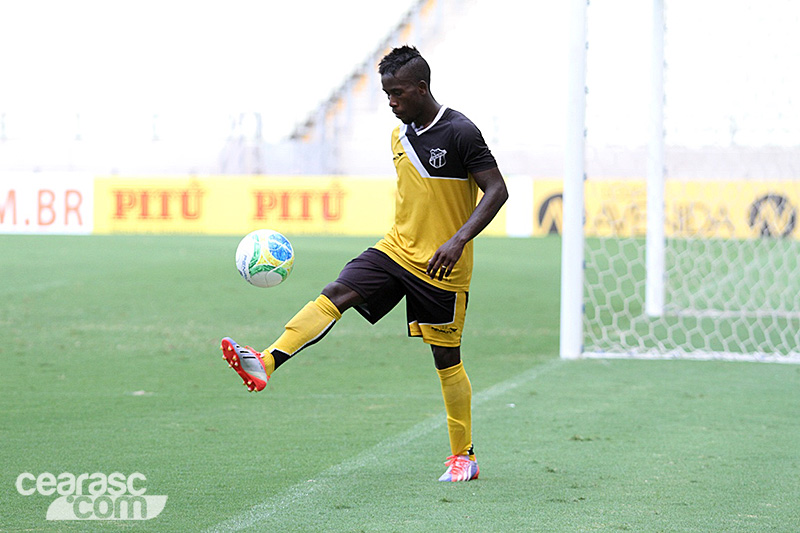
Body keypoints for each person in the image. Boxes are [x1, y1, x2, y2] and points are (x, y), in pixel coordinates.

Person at [221, 45, 508, 482]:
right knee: (338, 291)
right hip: (395, 250)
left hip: (442, 266)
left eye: (396, 93)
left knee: (446, 359)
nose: (390, 101)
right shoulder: (399, 135)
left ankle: (463, 455)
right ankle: (267, 361)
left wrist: (457, 240)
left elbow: (496, 190)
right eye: (385, 93)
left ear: (421, 88)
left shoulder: (460, 131)